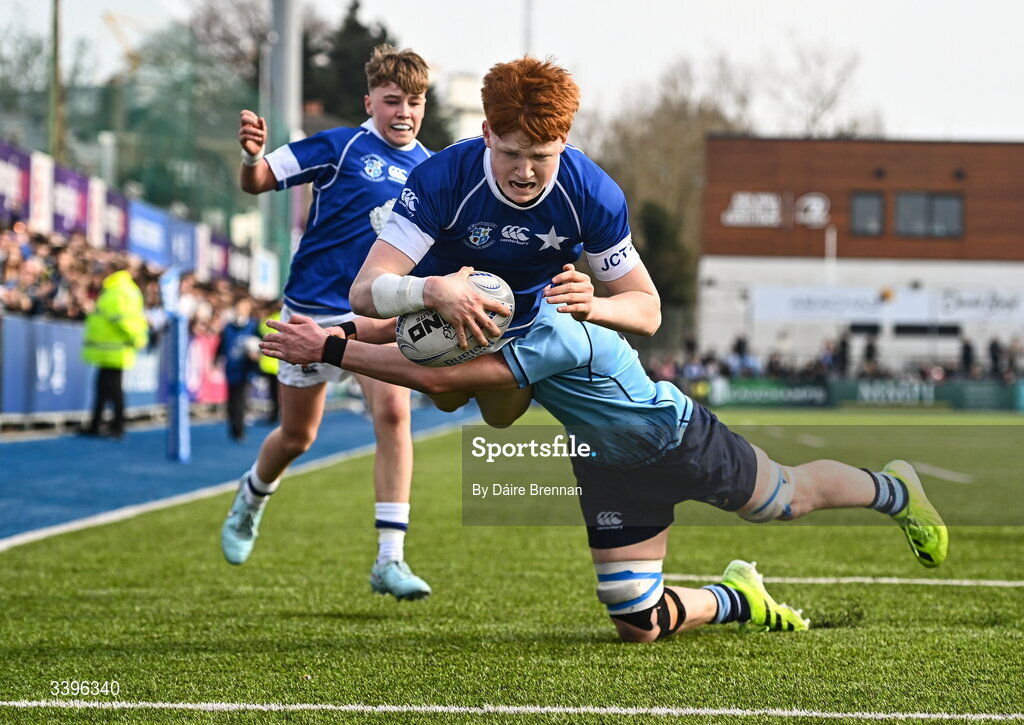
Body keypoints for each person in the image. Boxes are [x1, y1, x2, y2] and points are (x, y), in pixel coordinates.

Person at [260, 305, 949, 643]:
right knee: (637, 623)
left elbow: (437, 373)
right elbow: (400, 329)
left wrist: (331, 348)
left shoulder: (554, 330)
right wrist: (326, 325)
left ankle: (895, 488)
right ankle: (740, 596)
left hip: (677, 437)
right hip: (605, 464)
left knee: (784, 500)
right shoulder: (486, 309)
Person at [221, 45, 435, 600]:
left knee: (393, 414)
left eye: (414, 101)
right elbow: (259, 180)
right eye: (392, 101)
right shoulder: (341, 147)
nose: (404, 112)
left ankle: (391, 558)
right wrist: (251, 157)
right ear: (371, 102)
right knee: (298, 436)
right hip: (310, 315)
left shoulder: (433, 172)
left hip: (374, 315)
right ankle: (251, 498)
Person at [348, 56, 661, 426]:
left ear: (563, 139)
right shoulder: (441, 179)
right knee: (446, 400)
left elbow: (648, 309)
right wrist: (433, 291)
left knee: (501, 418)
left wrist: (593, 306)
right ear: (487, 133)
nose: (525, 173)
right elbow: (363, 292)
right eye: (510, 153)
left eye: (540, 156)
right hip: (436, 326)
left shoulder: (593, 195)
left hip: (515, 341)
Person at [81, 266, 149, 439]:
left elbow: (119, 319)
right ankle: (98, 424)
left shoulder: (118, 291)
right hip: (114, 348)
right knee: (104, 388)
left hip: (112, 348)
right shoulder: (127, 290)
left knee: (112, 389)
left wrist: (133, 337)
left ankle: (116, 426)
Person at [217, 296, 260, 442]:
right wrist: (216, 359)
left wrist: (255, 354)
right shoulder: (229, 326)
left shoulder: (253, 326)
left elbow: (260, 343)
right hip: (231, 368)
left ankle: (239, 430)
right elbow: (222, 344)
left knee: (241, 400)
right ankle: (232, 426)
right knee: (231, 400)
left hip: (245, 370)